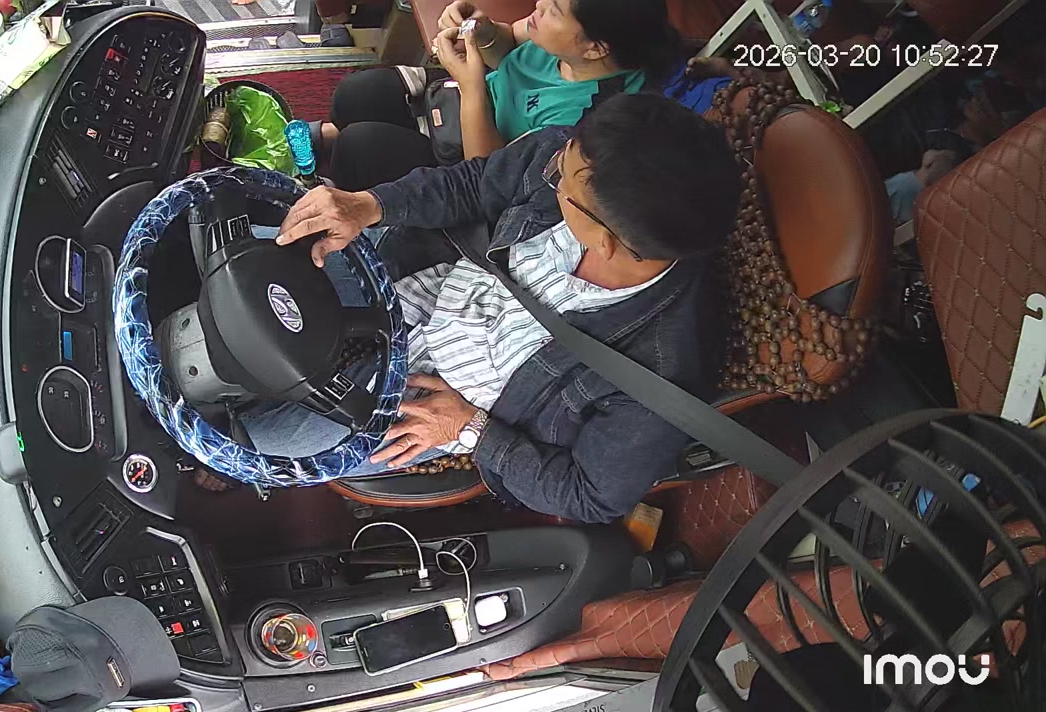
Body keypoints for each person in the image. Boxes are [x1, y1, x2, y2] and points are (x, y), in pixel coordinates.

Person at [197, 93, 742, 523]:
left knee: (253, 447)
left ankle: (219, 451)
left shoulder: (660, 370)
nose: (551, 169)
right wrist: (369, 205)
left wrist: (472, 429)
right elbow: (477, 184)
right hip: (418, 274)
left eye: (562, 181)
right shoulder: (579, 157)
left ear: (604, 241)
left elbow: (592, 496)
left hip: (440, 401)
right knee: (246, 263)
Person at [316, 0, 688, 191]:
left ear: (595, 48)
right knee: (357, 93)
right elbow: (507, 46)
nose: (539, 6)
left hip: (470, 151)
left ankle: (337, 159)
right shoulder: (562, 38)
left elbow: (489, 173)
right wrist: (482, 29)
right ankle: (331, 136)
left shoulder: (584, 120)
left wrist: (471, 84)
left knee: (359, 149)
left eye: (554, 10)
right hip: (460, 99)